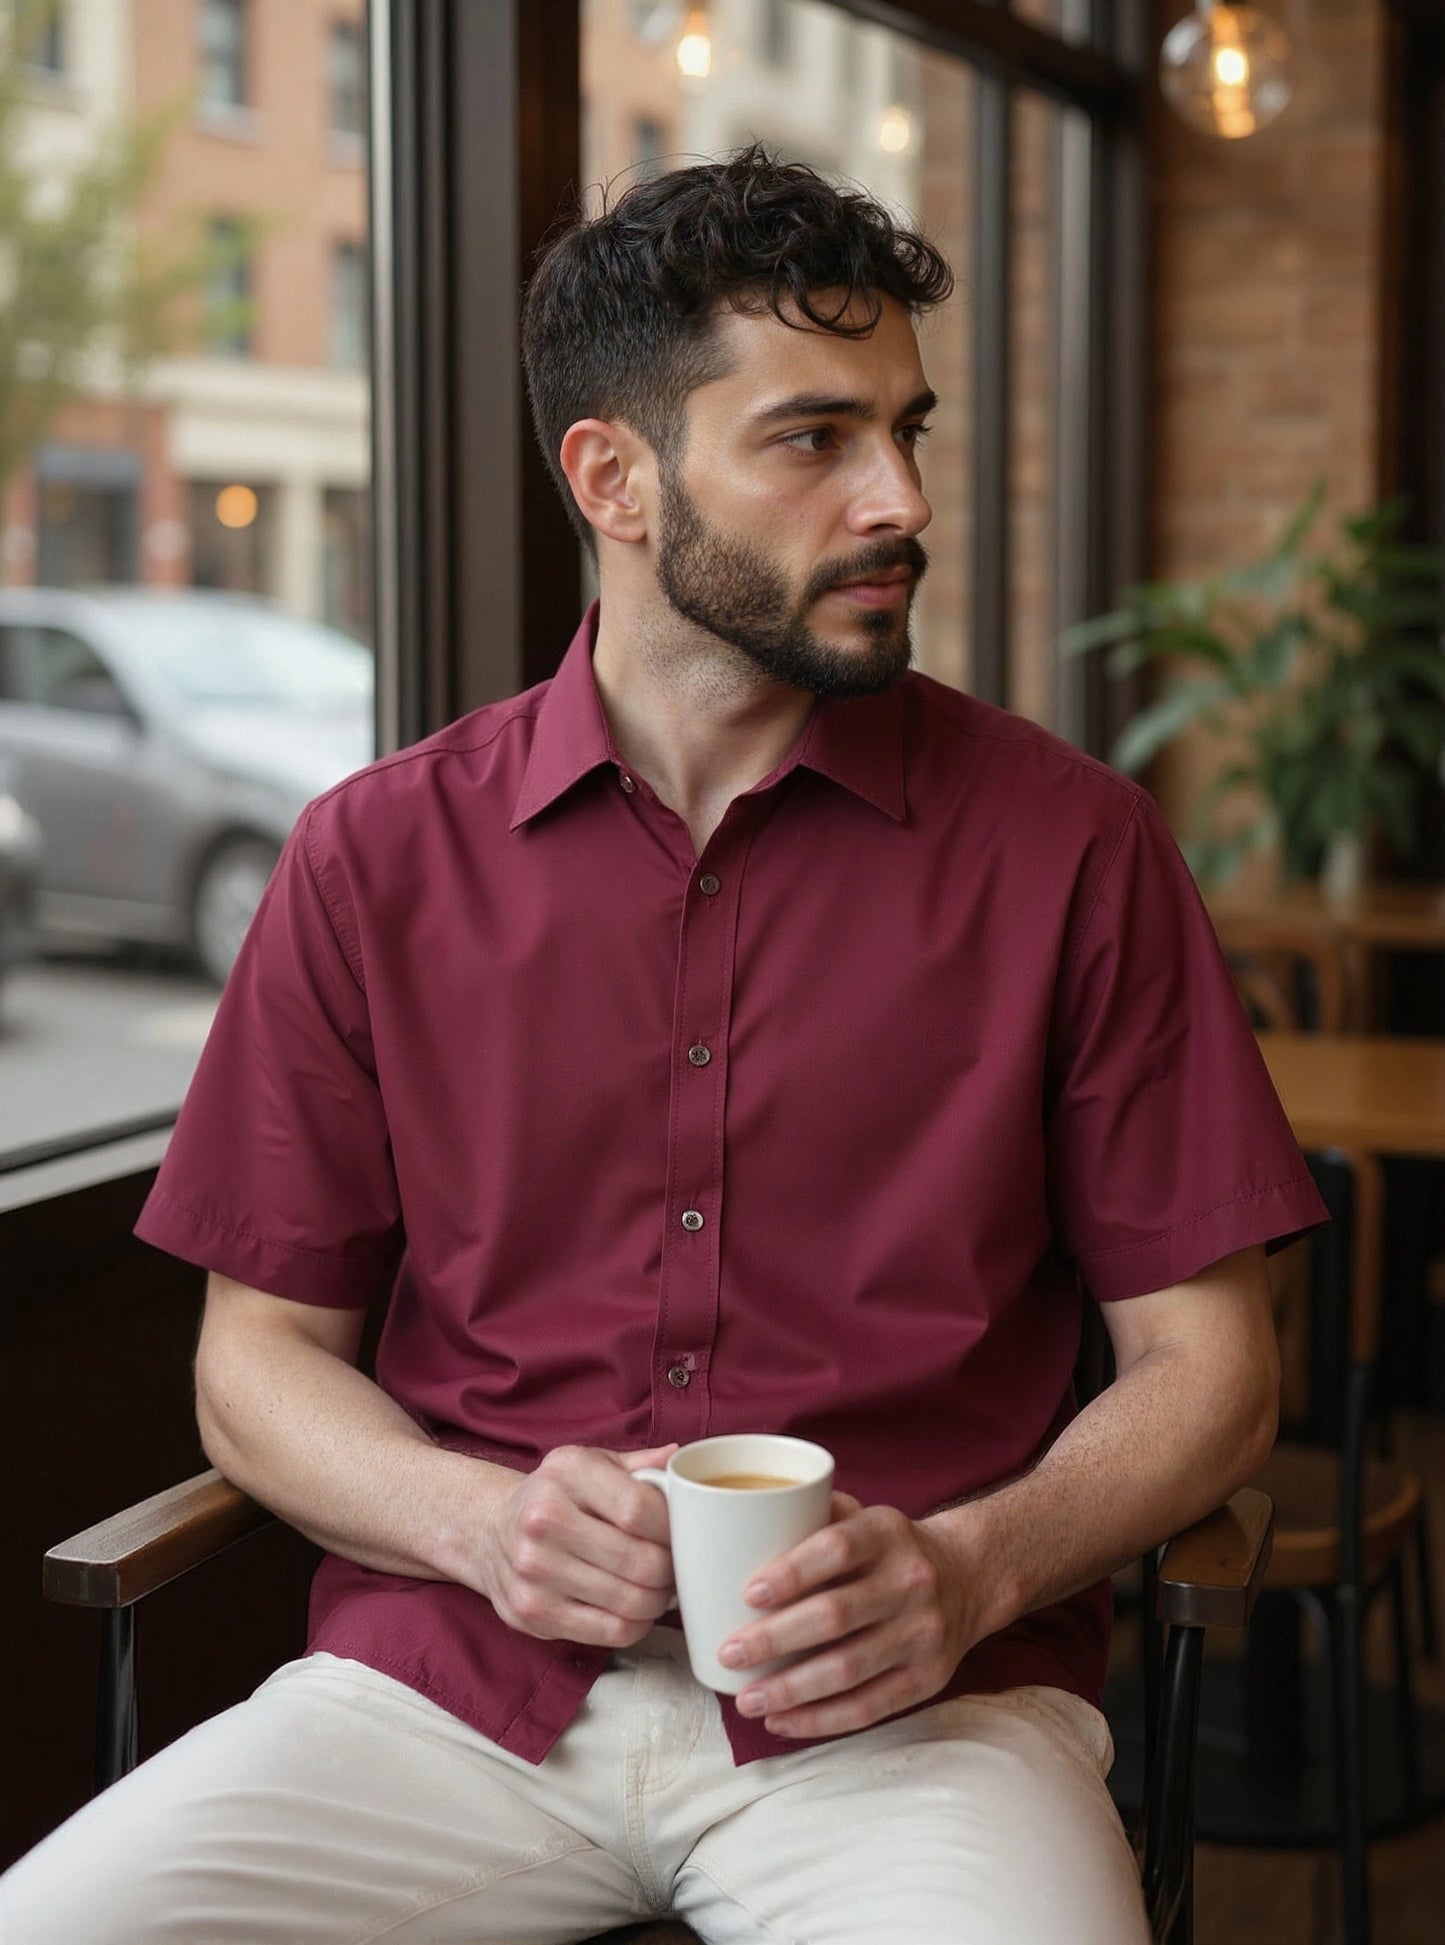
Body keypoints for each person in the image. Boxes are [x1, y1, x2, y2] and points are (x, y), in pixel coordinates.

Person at [2, 147, 1327, 1944]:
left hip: (916, 1716)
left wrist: (966, 1566)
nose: (896, 499)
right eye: (811, 439)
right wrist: (475, 1522)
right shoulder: (371, 858)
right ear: (613, 478)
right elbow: (254, 1368)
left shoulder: (1072, 848)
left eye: (906, 430)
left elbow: (1210, 1367)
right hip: (451, 1697)